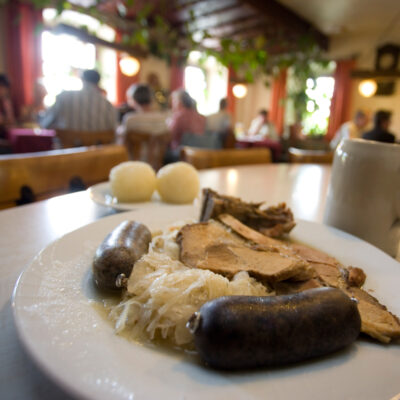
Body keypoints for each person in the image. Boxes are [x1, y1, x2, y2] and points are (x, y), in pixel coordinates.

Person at [40, 69, 117, 132]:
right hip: (97, 150)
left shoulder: (64, 97)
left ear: (82, 79)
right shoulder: (108, 105)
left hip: (67, 150)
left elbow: (45, 124)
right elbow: (113, 132)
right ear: (98, 82)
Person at [0, 74, 16, 138]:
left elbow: (11, 120)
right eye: (1, 87)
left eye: (5, 88)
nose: (3, 90)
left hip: (6, 135)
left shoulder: (6, 102)